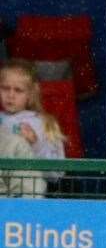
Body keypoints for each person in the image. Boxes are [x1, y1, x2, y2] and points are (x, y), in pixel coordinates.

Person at [0, 62, 67, 197]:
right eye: (5, 88)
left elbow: (56, 172)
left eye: (18, 90)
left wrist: (35, 144)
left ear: (31, 94)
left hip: (27, 195)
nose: (10, 95)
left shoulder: (44, 124)